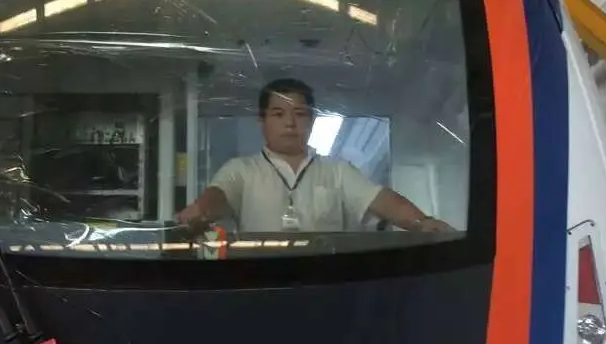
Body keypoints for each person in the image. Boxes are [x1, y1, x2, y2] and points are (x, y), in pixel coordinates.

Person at [176, 77, 455, 235]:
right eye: (278, 114)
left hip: (325, 280)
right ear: (262, 121)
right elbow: (218, 195)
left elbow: (380, 199)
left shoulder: (337, 171)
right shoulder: (241, 170)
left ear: (311, 120)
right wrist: (200, 211)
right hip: (260, 281)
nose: (290, 123)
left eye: (299, 114)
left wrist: (422, 222)